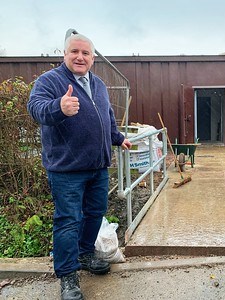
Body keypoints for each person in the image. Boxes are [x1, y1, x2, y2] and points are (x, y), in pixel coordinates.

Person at [28, 33, 132, 300]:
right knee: (67, 222)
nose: (80, 57)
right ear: (64, 54)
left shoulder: (98, 85)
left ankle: (85, 254)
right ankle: (68, 276)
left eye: (86, 53)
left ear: (93, 59)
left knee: (95, 213)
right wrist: (58, 107)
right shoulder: (50, 81)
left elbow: (107, 118)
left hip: (98, 166)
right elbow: (35, 108)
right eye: (74, 51)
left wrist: (119, 139)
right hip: (66, 170)